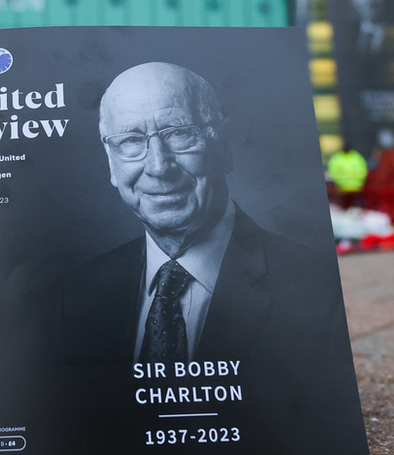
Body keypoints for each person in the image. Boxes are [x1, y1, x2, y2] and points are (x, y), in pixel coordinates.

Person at [57, 62, 366, 454]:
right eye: (131, 141)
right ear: (111, 163)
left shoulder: (319, 292)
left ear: (224, 146)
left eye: (179, 134)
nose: (158, 166)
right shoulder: (78, 295)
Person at [327, 144, 368, 209]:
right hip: (349, 188)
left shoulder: (337, 158)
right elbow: (363, 171)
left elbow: (333, 173)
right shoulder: (357, 158)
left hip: (350, 189)